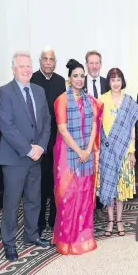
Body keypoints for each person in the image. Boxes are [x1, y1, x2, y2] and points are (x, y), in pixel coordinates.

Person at [0, 52, 51, 261]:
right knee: (11, 204)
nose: (26, 70)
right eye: (22, 66)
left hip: (36, 157)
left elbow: (46, 122)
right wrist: (29, 149)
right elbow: (6, 126)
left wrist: (41, 147)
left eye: (28, 66)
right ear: (13, 69)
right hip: (14, 159)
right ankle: (9, 243)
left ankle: (31, 236)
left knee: (33, 200)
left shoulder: (38, 90)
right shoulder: (4, 92)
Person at [52, 59, 103, 255]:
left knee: (84, 195)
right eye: (76, 76)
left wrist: (88, 150)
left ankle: (83, 237)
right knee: (68, 196)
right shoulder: (62, 100)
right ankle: (67, 240)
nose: (80, 79)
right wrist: (80, 151)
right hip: (68, 156)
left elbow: (93, 127)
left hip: (86, 155)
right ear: (69, 79)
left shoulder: (91, 101)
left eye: (82, 76)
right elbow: (62, 130)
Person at [99, 68, 138, 236]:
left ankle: (120, 220)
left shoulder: (129, 102)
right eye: (112, 80)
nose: (116, 83)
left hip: (124, 152)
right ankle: (110, 221)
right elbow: (98, 127)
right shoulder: (101, 100)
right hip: (107, 152)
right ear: (108, 82)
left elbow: (132, 130)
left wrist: (132, 152)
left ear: (122, 81)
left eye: (118, 79)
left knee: (121, 189)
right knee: (109, 188)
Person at [30, 46, 66, 235]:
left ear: (55, 62)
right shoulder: (33, 79)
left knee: (54, 181)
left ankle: (53, 219)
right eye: (45, 59)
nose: (48, 62)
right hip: (37, 140)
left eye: (51, 59)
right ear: (40, 61)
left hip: (57, 139)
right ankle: (38, 221)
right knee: (39, 182)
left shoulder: (61, 81)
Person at [84, 50, 110, 220]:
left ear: (101, 64)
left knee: (101, 170)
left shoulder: (107, 82)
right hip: (85, 136)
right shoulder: (79, 82)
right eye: (91, 63)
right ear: (87, 64)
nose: (94, 66)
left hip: (103, 135)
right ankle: (87, 207)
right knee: (87, 172)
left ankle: (100, 206)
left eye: (97, 62)